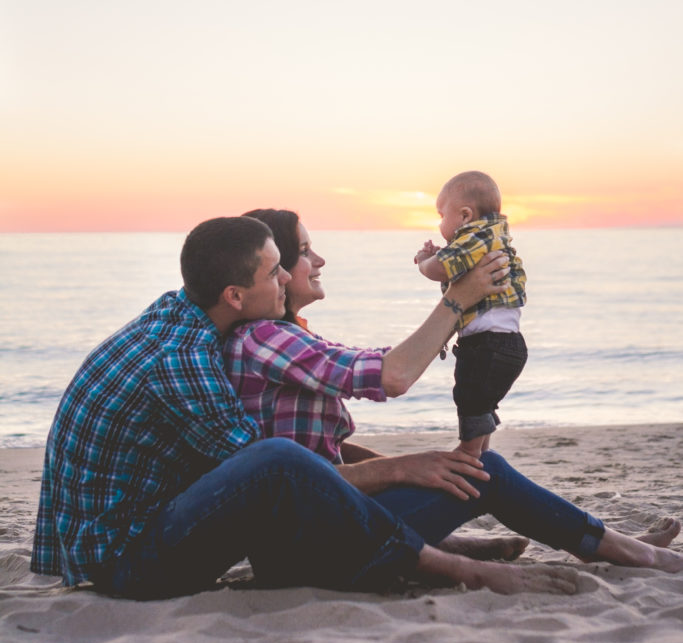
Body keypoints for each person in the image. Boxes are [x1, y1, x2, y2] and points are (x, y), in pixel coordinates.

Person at [33, 214, 575, 599]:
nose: (288, 278)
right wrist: (458, 301)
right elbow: (275, 469)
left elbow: (310, 452)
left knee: (287, 459)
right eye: (275, 273)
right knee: (276, 458)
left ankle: (473, 546)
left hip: (124, 537)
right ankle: (449, 565)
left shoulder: (182, 316)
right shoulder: (186, 362)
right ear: (234, 296)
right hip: (126, 567)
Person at [223, 209, 683, 580]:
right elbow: (392, 377)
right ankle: (627, 551)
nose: (319, 260)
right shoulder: (266, 339)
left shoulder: (285, 337)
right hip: (311, 544)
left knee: (463, 469)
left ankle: (612, 543)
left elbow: (326, 444)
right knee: (484, 471)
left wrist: (416, 469)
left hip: (319, 528)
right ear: (276, 269)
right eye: (304, 251)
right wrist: (459, 300)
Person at [414, 171, 526, 456]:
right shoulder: (491, 238)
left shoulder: (474, 237)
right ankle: (481, 453)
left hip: (487, 344)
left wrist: (425, 261)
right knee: (480, 401)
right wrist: (443, 254)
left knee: (470, 398)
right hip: (508, 344)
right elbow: (455, 268)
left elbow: (440, 269)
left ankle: (469, 452)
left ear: (464, 215)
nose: (440, 223)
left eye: (441, 215)